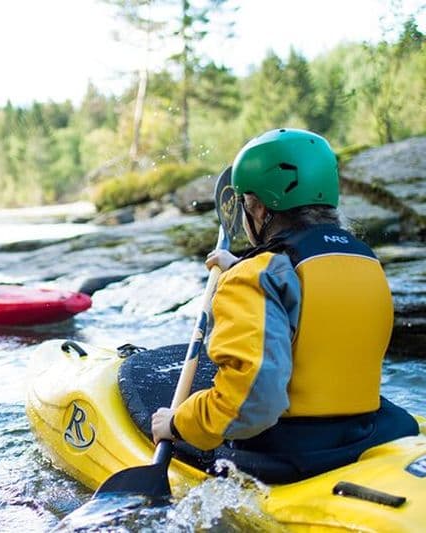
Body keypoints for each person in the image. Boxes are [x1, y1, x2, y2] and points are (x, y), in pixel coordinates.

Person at [150, 128, 418, 483]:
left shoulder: (256, 277)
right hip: (368, 431)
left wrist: (178, 422)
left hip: (292, 455)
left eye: (246, 203)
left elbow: (251, 404)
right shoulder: (365, 260)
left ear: (259, 207)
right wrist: (242, 267)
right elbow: (311, 296)